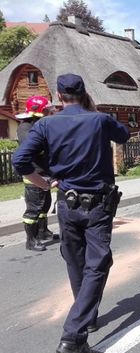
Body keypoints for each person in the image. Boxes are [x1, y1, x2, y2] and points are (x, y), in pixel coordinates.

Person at [13, 73, 130, 353]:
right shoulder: (99, 120)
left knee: (76, 260)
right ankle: (74, 334)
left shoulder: (45, 124)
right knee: (98, 262)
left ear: (59, 94)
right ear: (84, 92)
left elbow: (20, 161)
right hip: (98, 205)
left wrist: (44, 182)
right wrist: (94, 113)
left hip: (67, 203)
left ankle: (87, 317)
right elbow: (124, 135)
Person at [15, 96, 58, 251]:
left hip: (45, 172)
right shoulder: (25, 127)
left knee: (44, 205)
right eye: (48, 110)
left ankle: (43, 232)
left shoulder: (40, 125)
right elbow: (33, 148)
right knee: (33, 209)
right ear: (39, 112)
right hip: (34, 174)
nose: (51, 112)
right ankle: (31, 241)